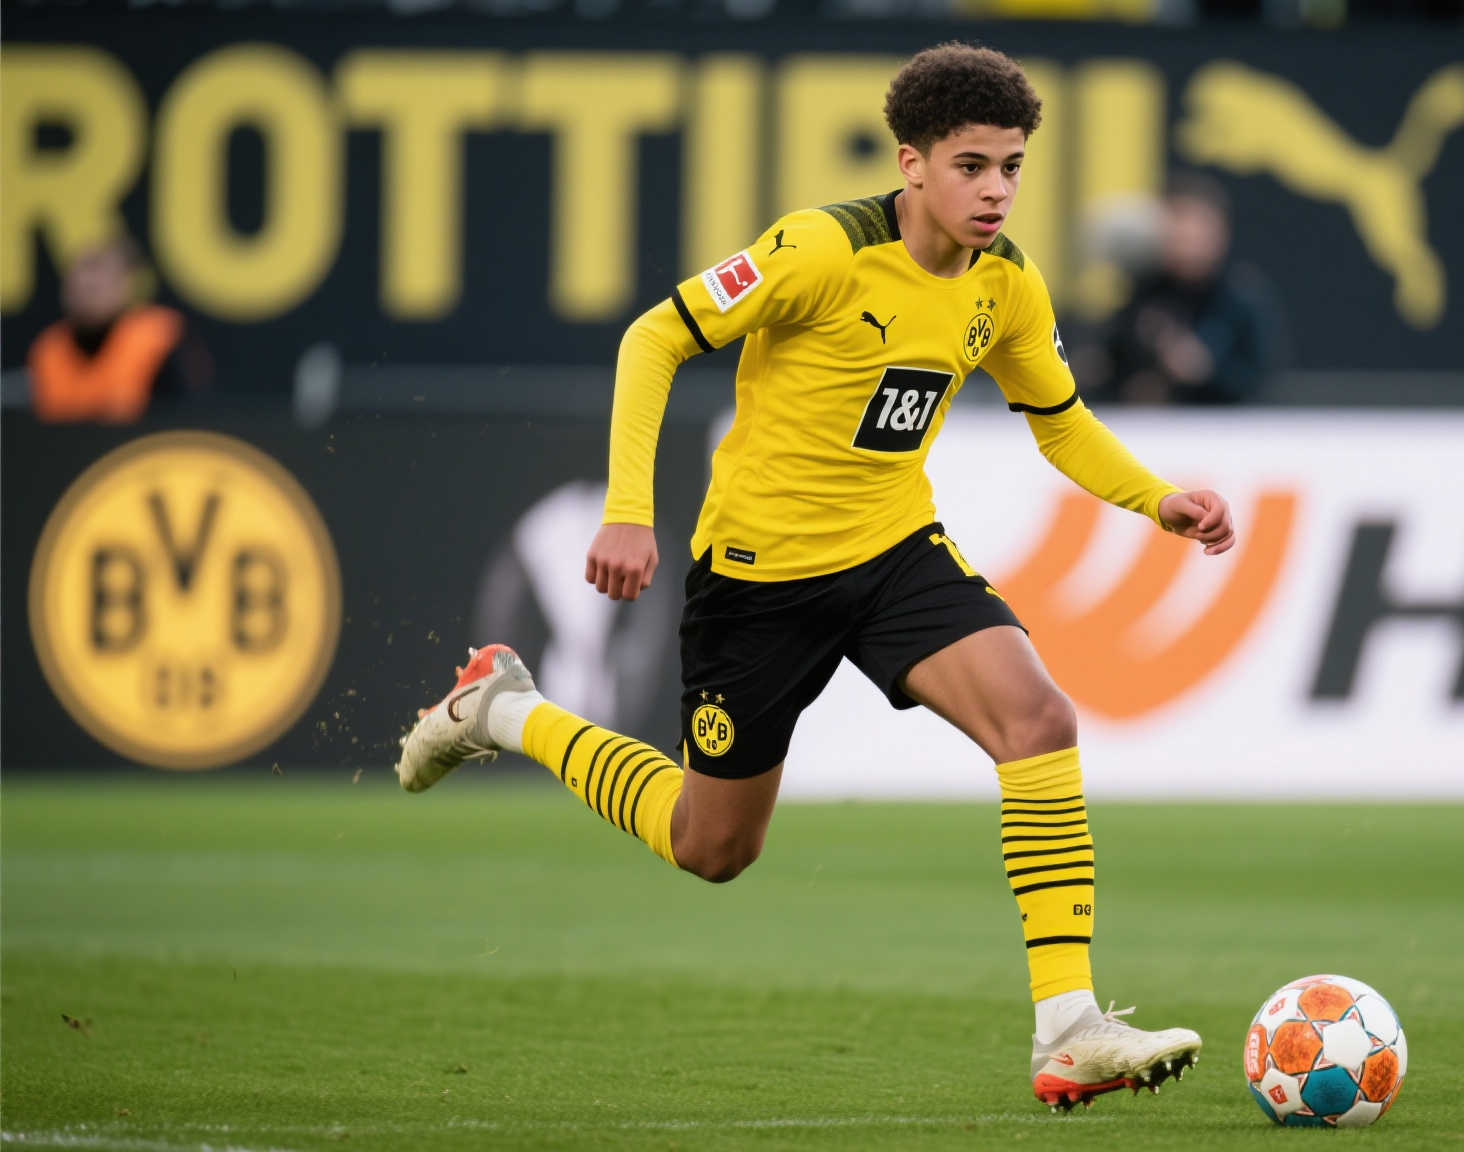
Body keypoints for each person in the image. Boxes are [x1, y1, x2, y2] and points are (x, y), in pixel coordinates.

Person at [396, 43, 1232, 1111]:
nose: (995, 190)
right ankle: (503, 710)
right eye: (971, 166)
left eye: (1012, 167)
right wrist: (627, 508)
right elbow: (653, 339)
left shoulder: (1007, 284)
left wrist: (1156, 499)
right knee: (712, 848)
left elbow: (1059, 422)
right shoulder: (818, 250)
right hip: (758, 581)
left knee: (1038, 721)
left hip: (893, 555)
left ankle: (1068, 1028)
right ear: (911, 163)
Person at [1093, 172, 1284, 406]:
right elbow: (1108, 367)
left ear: (1218, 232)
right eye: (1175, 228)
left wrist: (1204, 371)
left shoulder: (1241, 296)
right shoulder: (1144, 292)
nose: (1183, 239)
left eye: (1194, 229)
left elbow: (1261, 381)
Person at [29, 236, 205, 424]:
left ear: (125, 288)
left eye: (96, 288)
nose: (86, 298)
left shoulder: (157, 338)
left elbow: (182, 414)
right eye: (79, 287)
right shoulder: (49, 348)